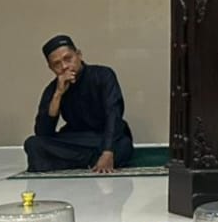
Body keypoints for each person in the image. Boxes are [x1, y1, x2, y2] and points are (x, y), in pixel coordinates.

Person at [22, 34, 135, 174]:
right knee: (33, 144)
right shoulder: (54, 89)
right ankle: (89, 161)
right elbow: (43, 132)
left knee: (123, 146)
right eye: (57, 64)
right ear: (51, 68)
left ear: (79, 55)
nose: (64, 66)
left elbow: (114, 114)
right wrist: (58, 94)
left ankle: (71, 163)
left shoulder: (103, 75)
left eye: (68, 59)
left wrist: (107, 152)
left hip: (103, 137)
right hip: (76, 139)